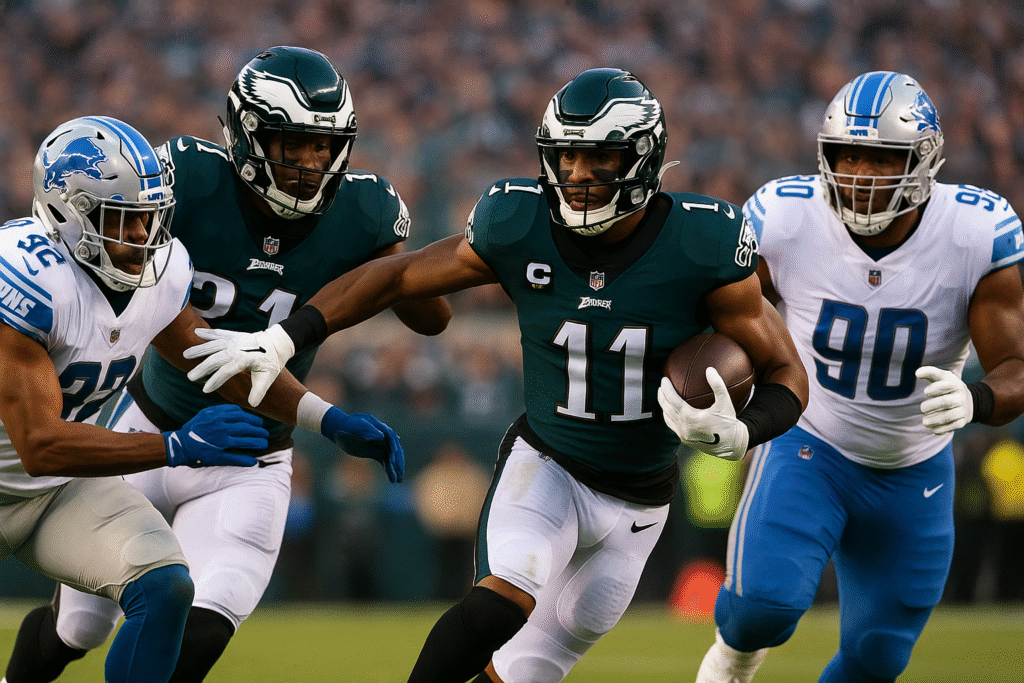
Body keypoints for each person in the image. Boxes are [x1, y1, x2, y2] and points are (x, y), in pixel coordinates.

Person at [185, 67, 810, 683]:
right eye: (565, 159)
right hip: (549, 464)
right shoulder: (519, 220)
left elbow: (786, 370)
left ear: (643, 160)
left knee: (526, 672)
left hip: (643, 498)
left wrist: (743, 433)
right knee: (501, 597)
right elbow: (400, 275)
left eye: (599, 160)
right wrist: (288, 336)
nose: (578, 177)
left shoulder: (703, 241)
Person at [3, 46, 449, 683]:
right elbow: (112, 263)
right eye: (291, 145)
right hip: (146, 425)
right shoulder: (182, 181)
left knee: (199, 623)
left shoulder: (363, 211)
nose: (310, 162)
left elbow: (430, 318)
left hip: (252, 455)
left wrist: (395, 271)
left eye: (324, 146)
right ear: (243, 136)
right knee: (78, 626)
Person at [692, 71, 1024, 683]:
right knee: (761, 609)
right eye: (846, 154)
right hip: (809, 441)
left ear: (923, 161)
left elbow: (1017, 367)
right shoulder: (785, 216)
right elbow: (725, 319)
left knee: (877, 658)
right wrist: (709, 386)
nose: (859, 173)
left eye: (880, 158)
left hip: (915, 467)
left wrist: (975, 397)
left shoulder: (976, 233)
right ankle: (733, 662)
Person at [0, 114, 272, 683]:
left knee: (165, 586)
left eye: (150, 218)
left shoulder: (162, 272)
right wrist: (174, 447)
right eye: (125, 221)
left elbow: (214, 359)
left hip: (53, 496)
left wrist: (330, 418)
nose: (145, 238)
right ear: (68, 213)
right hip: (37, 468)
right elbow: (41, 445)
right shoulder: (25, 277)